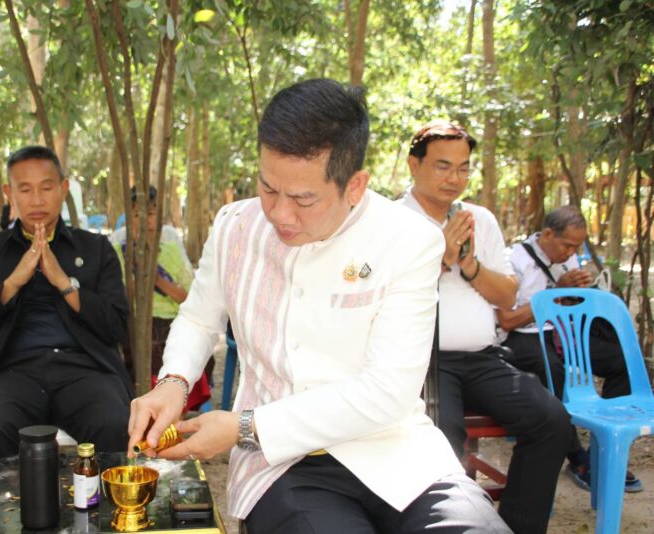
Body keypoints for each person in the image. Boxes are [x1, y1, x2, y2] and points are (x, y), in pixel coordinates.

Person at [127, 79, 510, 534]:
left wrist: (244, 427)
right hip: (285, 463)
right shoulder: (236, 227)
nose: (279, 214)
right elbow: (197, 317)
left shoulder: (408, 239)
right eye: (268, 188)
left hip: (397, 453)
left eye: (304, 199)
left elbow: (388, 391)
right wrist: (173, 382)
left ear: (355, 186)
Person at [398, 120, 571, 534]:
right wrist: (441, 257)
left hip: (482, 357)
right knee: (442, 439)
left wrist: (469, 264)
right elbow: (384, 296)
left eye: (463, 168)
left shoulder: (480, 219)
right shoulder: (391, 220)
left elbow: (508, 296)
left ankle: (517, 526)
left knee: (552, 421)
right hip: (422, 363)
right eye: (442, 166)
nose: (454, 178)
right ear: (414, 165)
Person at [0, 146, 133, 462]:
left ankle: (103, 496)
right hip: (12, 369)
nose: (36, 200)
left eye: (46, 188)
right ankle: (4, 497)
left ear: (63, 189)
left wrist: (65, 284)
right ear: (9, 193)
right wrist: (11, 284)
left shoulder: (95, 248)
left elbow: (116, 325)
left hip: (85, 368)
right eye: (25, 189)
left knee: (114, 424)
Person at [498, 205, 642, 492]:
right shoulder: (514, 261)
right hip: (521, 335)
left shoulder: (569, 258)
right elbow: (507, 320)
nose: (570, 253)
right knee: (551, 368)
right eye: (567, 245)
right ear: (547, 234)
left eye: (576, 247)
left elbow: (567, 305)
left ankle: (603, 450)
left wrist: (580, 294)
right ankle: (576, 457)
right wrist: (556, 293)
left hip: (562, 331)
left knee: (620, 360)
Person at [117, 185, 211, 410]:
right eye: (137, 215)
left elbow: (189, 298)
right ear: (129, 219)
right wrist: (138, 270)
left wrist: (157, 281)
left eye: (150, 214)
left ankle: (177, 408)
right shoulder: (118, 251)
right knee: (147, 349)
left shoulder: (171, 251)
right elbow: (120, 297)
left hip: (172, 320)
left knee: (189, 346)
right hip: (136, 321)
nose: (145, 221)